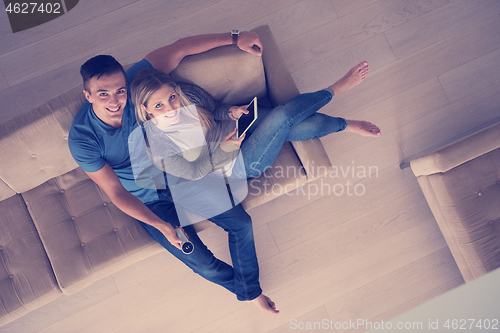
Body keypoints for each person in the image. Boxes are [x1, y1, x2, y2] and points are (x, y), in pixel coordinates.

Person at [68, 31, 281, 314]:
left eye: (120, 90)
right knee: (201, 261)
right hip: (151, 202)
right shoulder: (82, 139)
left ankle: (250, 291)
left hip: (183, 177)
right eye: (103, 94)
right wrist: (160, 225)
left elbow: (179, 49)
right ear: (87, 95)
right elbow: (115, 191)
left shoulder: (136, 86)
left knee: (241, 223)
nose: (115, 100)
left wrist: (235, 38)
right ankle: (249, 292)